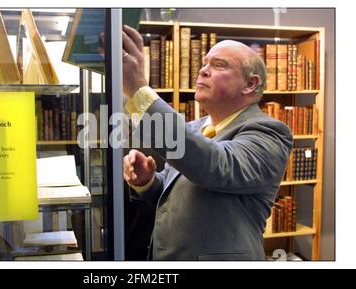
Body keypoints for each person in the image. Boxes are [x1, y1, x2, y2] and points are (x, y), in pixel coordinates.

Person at [121, 25, 293, 260]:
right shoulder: (193, 128)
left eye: (219, 65)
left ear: (250, 84)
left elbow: (214, 166)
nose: (202, 71)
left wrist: (139, 91)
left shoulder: (270, 132)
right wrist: (147, 182)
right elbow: (175, 195)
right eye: (204, 63)